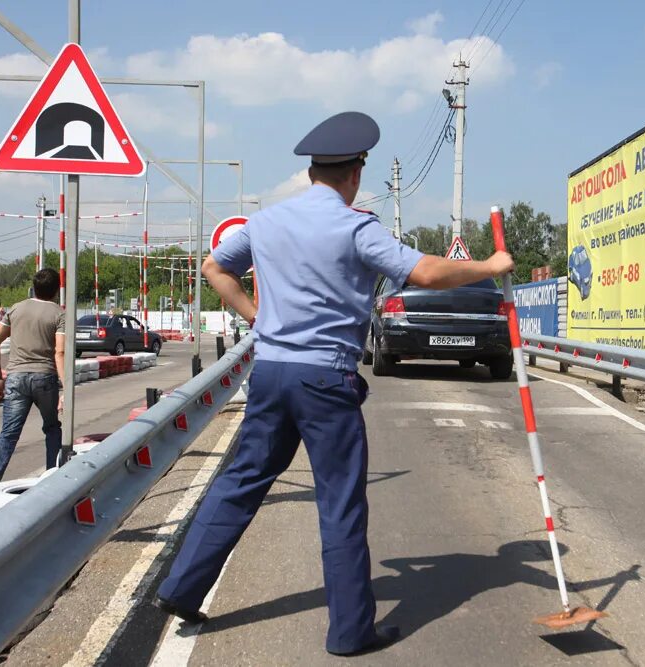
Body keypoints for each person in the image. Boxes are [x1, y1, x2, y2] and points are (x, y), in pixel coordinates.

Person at [155, 111, 515, 656]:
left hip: (272, 371)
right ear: (355, 174)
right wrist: (490, 265)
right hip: (325, 377)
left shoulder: (267, 223)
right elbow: (426, 273)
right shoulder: (355, 226)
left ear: (312, 173)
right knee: (341, 501)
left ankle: (182, 588)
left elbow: (213, 269)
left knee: (242, 479)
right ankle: (350, 632)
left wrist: (258, 315)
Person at [0, 269, 66, 495]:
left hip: (16, 377)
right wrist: (66, 388)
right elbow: (60, 353)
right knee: (52, 428)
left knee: (9, 432)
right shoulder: (59, 314)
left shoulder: (16, 309)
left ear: (33, 287)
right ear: (57, 289)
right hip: (44, 378)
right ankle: (53, 477)